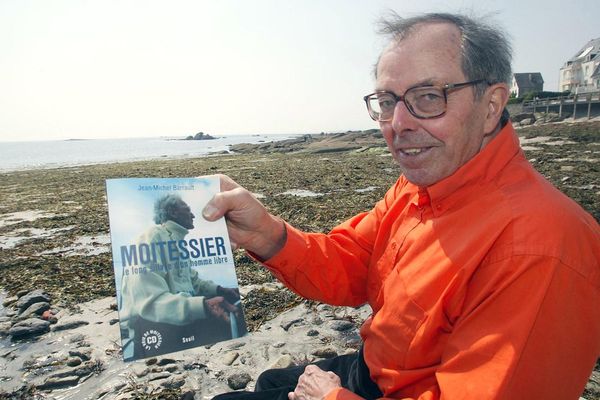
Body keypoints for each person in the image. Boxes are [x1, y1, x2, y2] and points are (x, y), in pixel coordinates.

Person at [204, 12, 600, 400]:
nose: (399, 123)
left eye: (428, 97)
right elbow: (351, 265)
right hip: (375, 369)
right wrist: (268, 235)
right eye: (388, 101)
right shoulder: (422, 186)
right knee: (271, 381)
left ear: (492, 104)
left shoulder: (539, 248)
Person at [120, 193, 242, 360]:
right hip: (152, 326)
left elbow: (194, 282)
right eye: (188, 210)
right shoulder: (150, 238)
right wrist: (204, 306)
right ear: (174, 212)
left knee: (235, 311)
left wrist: (220, 289)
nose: (193, 215)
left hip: (178, 317)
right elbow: (150, 303)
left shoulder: (179, 243)